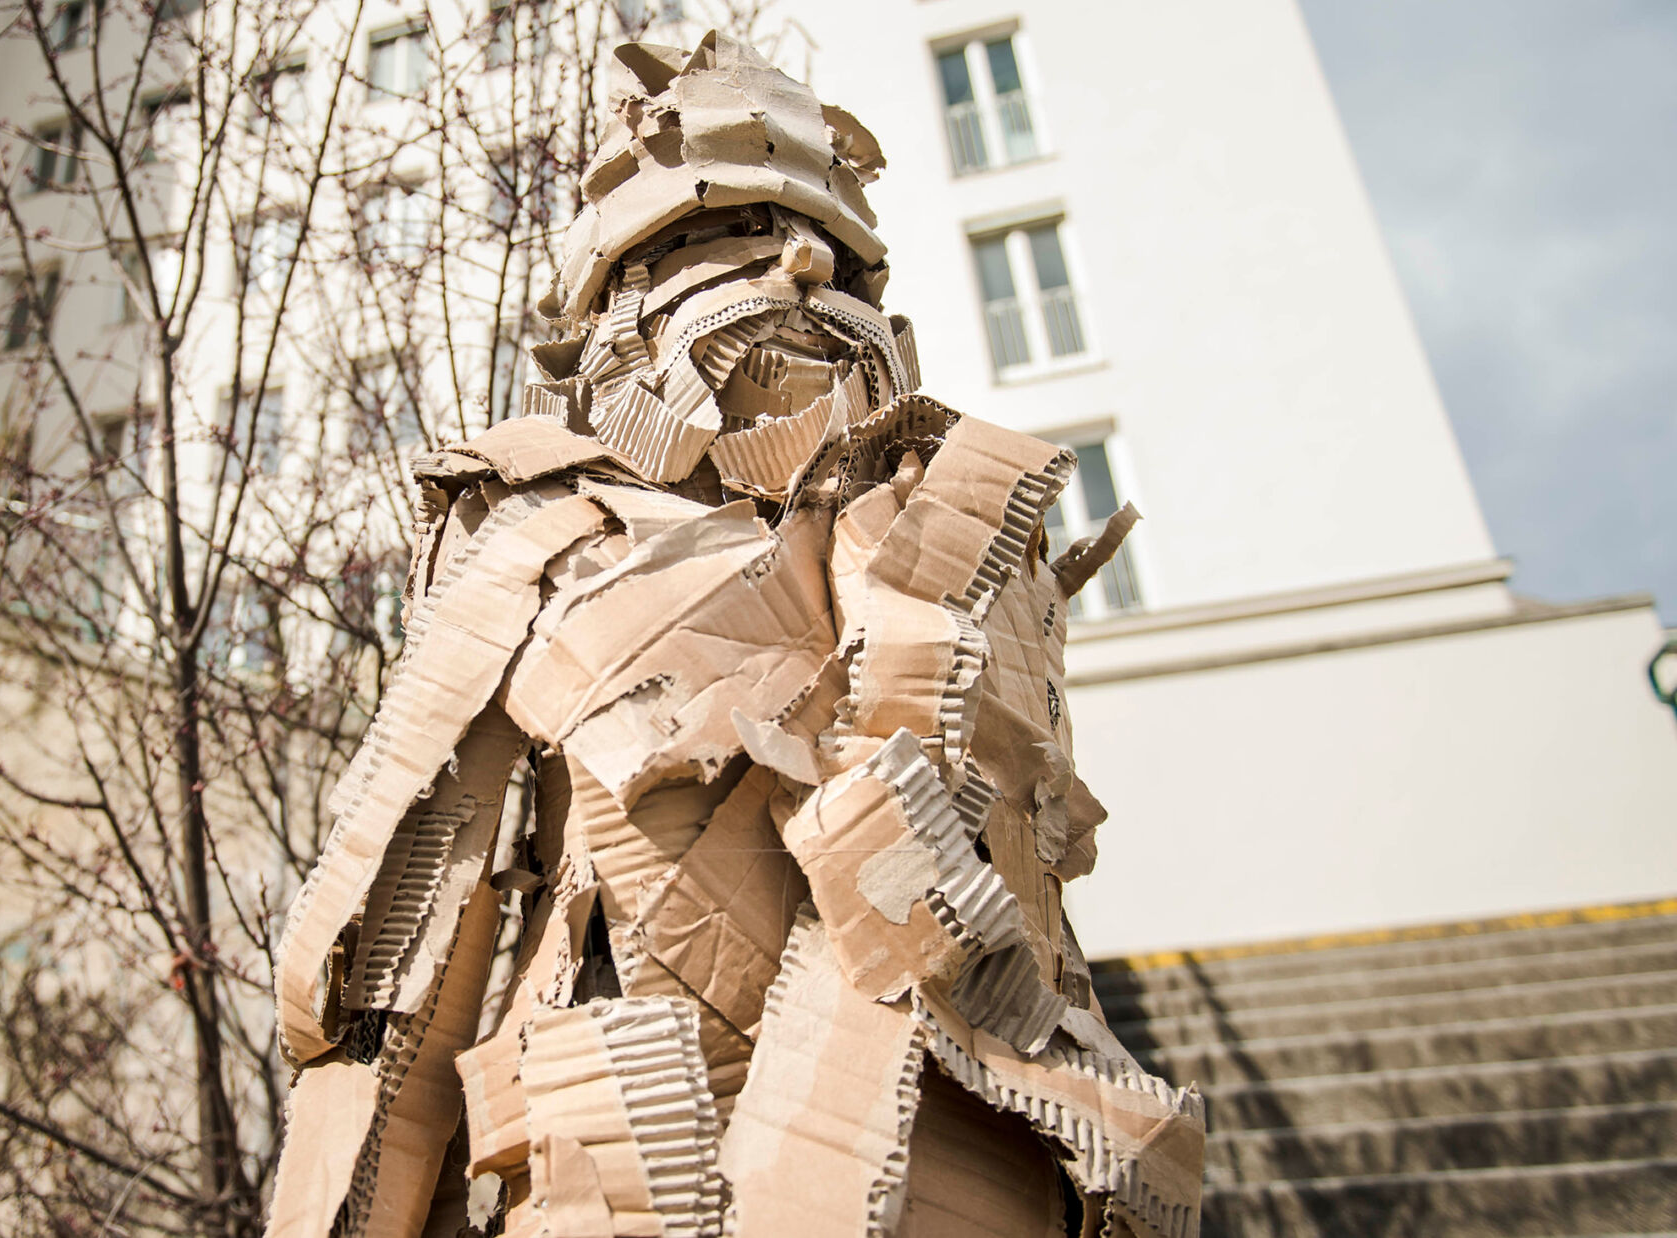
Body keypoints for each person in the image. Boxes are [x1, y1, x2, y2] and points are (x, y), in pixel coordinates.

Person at [269, 34, 1202, 1238]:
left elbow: (1025, 914)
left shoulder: (975, 525)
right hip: (617, 1157)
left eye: (839, 260)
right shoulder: (537, 533)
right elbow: (408, 946)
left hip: (957, 1161)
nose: (800, 271)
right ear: (614, 316)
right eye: (726, 242)